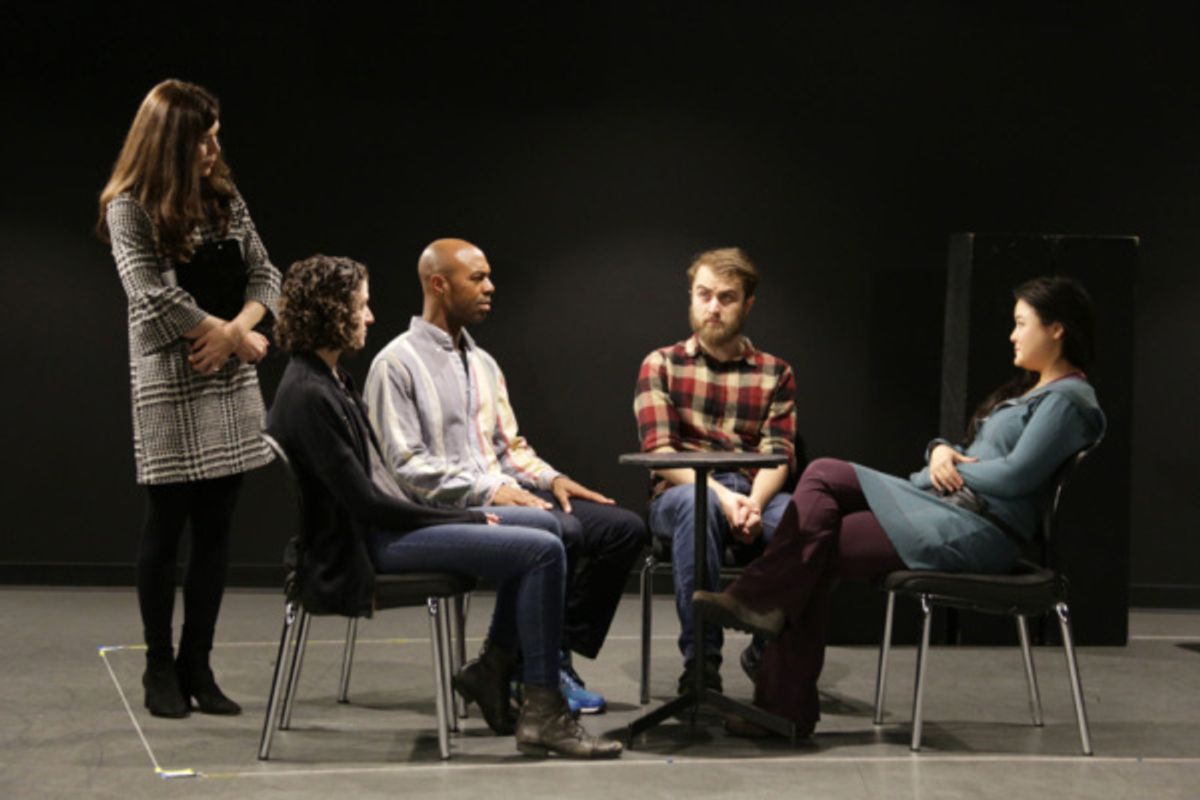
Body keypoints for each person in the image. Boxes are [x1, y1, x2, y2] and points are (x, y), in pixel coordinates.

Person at [692, 275, 1106, 738]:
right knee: (820, 506)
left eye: (1021, 323)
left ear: (1057, 330)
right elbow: (975, 452)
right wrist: (940, 451)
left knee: (818, 520)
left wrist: (953, 468)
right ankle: (773, 664)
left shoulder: (1070, 401)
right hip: (947, 509)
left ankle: (768, 647)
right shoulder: (1029, 392)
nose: (1012, 334)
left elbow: (1014, 477)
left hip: (978, 529)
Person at [266, 254, 621, 758]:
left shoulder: (329, 381)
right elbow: (367, 503)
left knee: (548, 527)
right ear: (330, 311)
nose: (368, 317)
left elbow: (374, 491)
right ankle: (540, 708)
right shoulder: (308, 394)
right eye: (360, 307)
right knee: (541, 551)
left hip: (385, 530)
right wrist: (465, 516)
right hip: (364, 548)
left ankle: (495, 670)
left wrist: (469, 514)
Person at [364, 239, 647, 715]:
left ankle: (542, 653)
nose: (490, 287)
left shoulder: (484, 363)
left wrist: (552, 478)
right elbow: (405, 468)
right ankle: (525, 666)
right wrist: (492, 489)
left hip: (500, 494)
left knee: (623, 529)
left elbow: (508, 448)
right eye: (477, 278)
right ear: (439, 284)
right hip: (448, 510)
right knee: (562, 530)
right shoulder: (396, 364)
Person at [97, 79, 280, 718]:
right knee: (165, 527)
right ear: (171, 141)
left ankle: (197, 663)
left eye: (216, 136)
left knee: (216, 531)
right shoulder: (130, 207)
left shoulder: (224, 198)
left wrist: (236, 334)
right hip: (171, 384)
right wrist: (230, 335)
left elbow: (267, 274)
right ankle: (158, 665)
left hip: (226, 377)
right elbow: (148, 296)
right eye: (202, 139)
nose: (213, 148)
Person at [632, 247, 798, 695]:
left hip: (752, 489)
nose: (713, 307)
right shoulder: (662, 364)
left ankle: (766, 647)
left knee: (802, 523)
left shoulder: (775, 372)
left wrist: (752, 504)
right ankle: (702, 665)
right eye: (704, 295)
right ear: (691, 296)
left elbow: (778, 454)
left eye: (726, 297)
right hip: (680, 491)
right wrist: (722, 498)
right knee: (697, 505)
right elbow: (661, 453)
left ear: (747, 305)